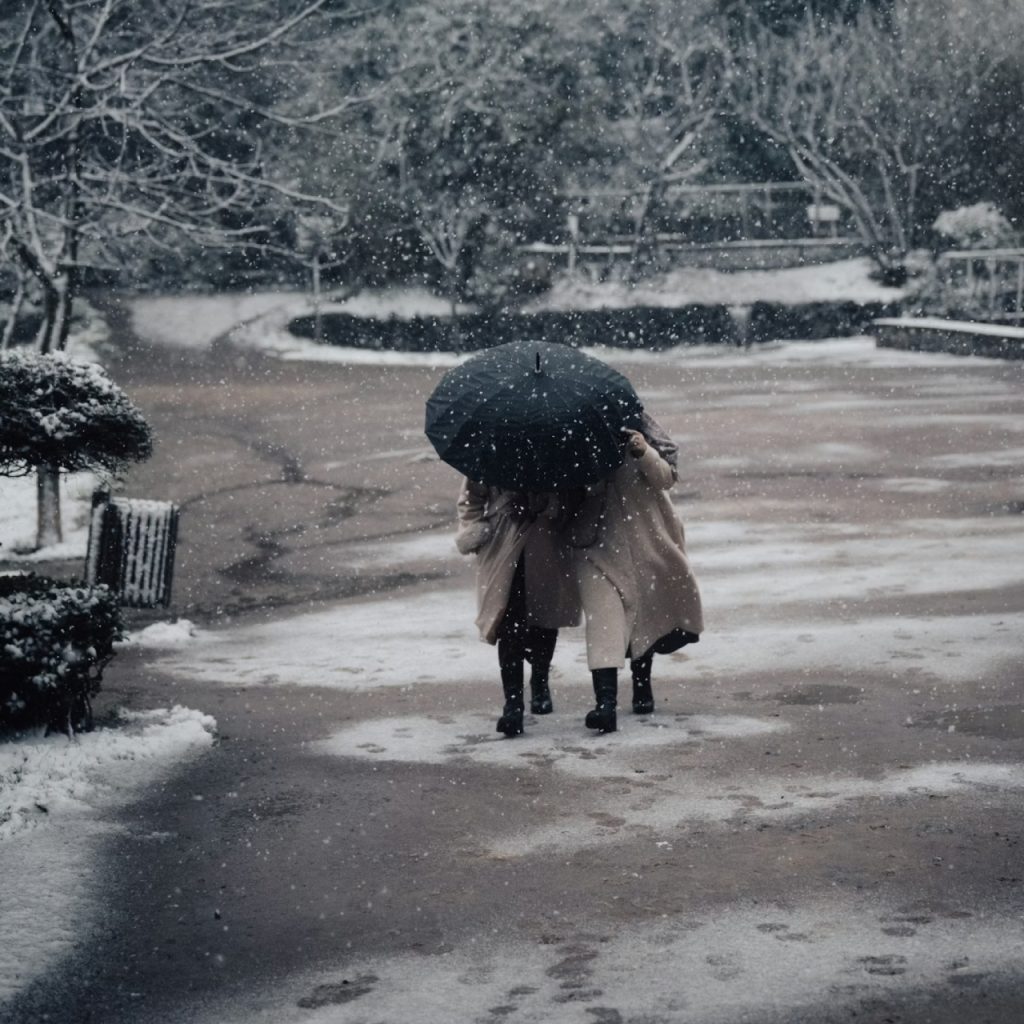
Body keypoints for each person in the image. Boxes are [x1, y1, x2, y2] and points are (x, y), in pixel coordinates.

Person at [568, 411, 703, 733]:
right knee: (605, 624)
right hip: (596, 547)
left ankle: (642, 685)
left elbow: (665, 479)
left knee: (645, 615)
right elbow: (564, 499)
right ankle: (606, 705)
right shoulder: (573, 442)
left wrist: (643, 451)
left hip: (647, 542)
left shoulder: (636, 435)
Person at [456, 481, 581, 737]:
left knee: (545, 621)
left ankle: (540, 680)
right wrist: (480, 527)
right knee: (509, 625)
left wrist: (547, 505)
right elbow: (470, 500)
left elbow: (574, 499)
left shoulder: (555, 451)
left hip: (546, 543)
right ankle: (513, 705)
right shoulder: (492, 449)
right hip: (504, 546)